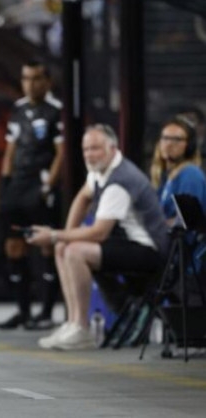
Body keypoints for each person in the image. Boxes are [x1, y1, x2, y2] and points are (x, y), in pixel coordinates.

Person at [27, 124, 168, 350]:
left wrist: (55, 235)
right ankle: (73, 322)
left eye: (95, 149)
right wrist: (64, 236)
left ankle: (82, 328)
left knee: (74, 251)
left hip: (149, 250)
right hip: (127, 242)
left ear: (112, 148)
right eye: (86, 150)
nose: (89, 155)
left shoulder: (120, 180)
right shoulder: (100, 170)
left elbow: (99, 231)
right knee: (64, 247)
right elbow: (83, 197)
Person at [0, 60, 63, 330]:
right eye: (26, 78)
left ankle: (45, 312)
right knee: (13, 246)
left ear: (47, 81)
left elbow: (62, 153)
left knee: (46, 244)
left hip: (41, 185)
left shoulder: (57, 111)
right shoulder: (18, 109)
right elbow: (10, 148)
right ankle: (23, 311)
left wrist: (48, 187)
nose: (30, 84)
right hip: (17, 187)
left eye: (35, 78)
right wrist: (4, 182)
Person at [151, 115, 206, 222]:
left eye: (177, 139)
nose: (169, 144)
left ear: (189, 146)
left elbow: (188, 223)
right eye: (165, 138)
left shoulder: (190, 174)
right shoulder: (165, 175)